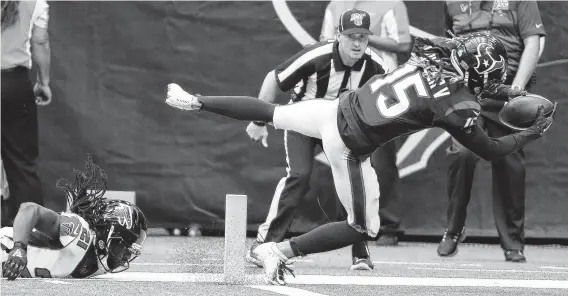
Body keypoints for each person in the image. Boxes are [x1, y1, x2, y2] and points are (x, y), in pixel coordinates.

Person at [165, 32, 555, 285]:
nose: (491, 79)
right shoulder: (457, 105)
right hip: (349, 145)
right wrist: (531, 132)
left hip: (331, 111)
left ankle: (196, 101)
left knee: (271, 113)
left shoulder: (433, 56)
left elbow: (458, 87)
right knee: (363, 228)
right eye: (490, 73)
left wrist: (504, 91)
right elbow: (489, 148)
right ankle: (278, 250)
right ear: (472, 70)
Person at [245, 8, 389, 271]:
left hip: (341, 127)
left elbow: (387, 100)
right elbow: (274, 78)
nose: (357, 43)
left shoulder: (376, 65)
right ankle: (266, 244)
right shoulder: (317, 54)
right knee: (299, 175)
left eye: (363, 37)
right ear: (338, 35)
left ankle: (360, 250)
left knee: (356, 179)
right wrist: (258, 121)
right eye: (351, 36)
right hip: (304, 120)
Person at [439, 0, 546, 263]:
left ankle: (513, 242)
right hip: (466, 93)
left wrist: (517, 91)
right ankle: (453, 229)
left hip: (508, 91)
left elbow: (533, 42)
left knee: (510, 163)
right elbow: (450, 43)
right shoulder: (451, 2)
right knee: (462, 154)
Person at [320, 0, 412, 246]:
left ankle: (387, 224)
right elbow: (324, 43)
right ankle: (348, 223)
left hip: (382, 93)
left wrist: (359, 38)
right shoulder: (335, 5)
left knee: (382, 161)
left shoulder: (392, 4)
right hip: (344, 93)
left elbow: (403, 44)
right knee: (342, 156)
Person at [1, 155, 148, 280]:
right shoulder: (78, 233)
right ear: (110, 234)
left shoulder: (98, 264)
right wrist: (19, 248)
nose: (127, 256)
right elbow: (29, 209)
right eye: (126, 248)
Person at [1, 0, 52, 227]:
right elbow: (40, 40)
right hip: (13, 83)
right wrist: (44, 82)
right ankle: (29, 237)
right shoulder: (35, 3)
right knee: (22, 164)